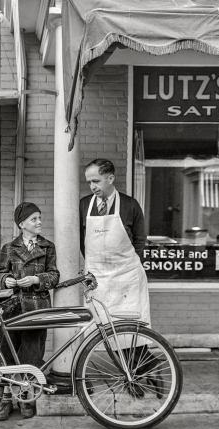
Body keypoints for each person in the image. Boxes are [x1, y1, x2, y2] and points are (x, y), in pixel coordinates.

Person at [79, 158, 162, 397]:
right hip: (99, 279)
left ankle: (136, 377)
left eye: (96, 181)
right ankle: (143, 372)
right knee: (106, 331)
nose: (92, 186)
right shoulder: (85, 205)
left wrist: (123, 265)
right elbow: (81, 240)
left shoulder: (130, 205)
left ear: (110, 178)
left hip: (126, 277)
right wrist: (95, 266)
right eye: (89, 182)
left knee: (131, 331)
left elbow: (139, 239)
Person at [0, 202, 60, 420]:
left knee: (31, 355)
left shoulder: (48, 247)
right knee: (6, 355)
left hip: (36, 309)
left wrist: (37, 279)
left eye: (40, 218)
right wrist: (7, 280)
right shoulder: (9, 248)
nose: (39, 222)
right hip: (10, 308)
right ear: (22, 224)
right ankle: (4, 399)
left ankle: (25, 396)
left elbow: (54, 275)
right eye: (34, 219)